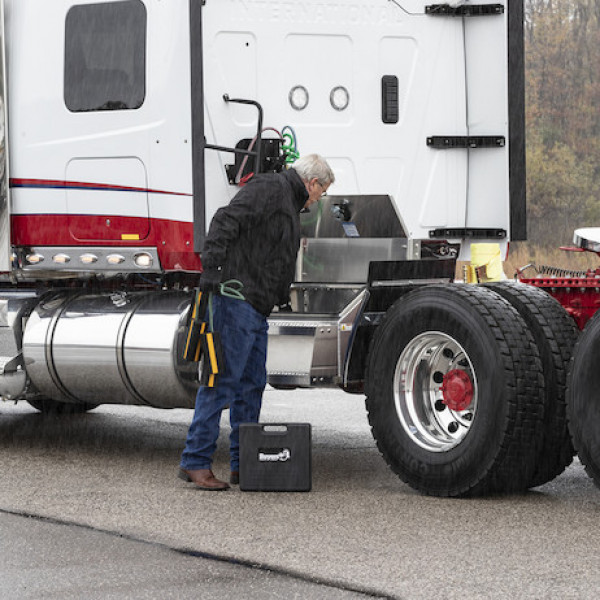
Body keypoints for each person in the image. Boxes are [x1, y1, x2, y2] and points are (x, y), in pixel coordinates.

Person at [179, 153, 335, 490]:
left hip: (256, 307)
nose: (317, 200)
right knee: (221, 383)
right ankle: (195, 461)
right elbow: (225, 220)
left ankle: (243, 463)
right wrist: (213, 272)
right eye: (320, 193)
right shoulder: (269, 188)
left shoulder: (287, 201)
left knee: (250, 387)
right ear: (313, 183)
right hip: (235, 300)